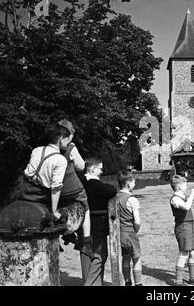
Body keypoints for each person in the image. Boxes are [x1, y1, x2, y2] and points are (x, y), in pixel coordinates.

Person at [57, 119, 93, 259]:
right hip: (72, 188)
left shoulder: (50, 148)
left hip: (56, 191)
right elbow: (80, 166)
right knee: (85, 208)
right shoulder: (71, 147)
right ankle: (86, 241)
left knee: (60, 208)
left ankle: (64, 234)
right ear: (69, 135)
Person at [81, 157, 117, 286]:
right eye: (100, 168)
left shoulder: (81, 183)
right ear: (93, 169)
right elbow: (112, 190)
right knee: (100, 254)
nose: (102, 171)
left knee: (86, 255)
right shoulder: (94, 184)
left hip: (82, 223)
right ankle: (90, 283)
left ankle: (93, 282)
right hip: (97, 223)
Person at [170, 175, 194, 286]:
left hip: (189, 227)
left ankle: (192, 278)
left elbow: (189, 214)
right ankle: (178, 281)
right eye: (185, 184)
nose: (187, 187)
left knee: (193, 252)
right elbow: (186, 207)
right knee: (184, 254)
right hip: (182, 228)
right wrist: (192, 194)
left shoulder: (183, 198)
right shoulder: (175, 199)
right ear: (180, 187)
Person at [116, 170, 143, 286]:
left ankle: (127, 281)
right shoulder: (132, 199)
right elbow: (137, 220)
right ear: (129, 183)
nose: (134, 183)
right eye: (133, 181)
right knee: (136, 258)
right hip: (130, 232)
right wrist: (136, 229)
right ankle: (138, 283)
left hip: (120, 233)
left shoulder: (115, 197)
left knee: (125, 257)